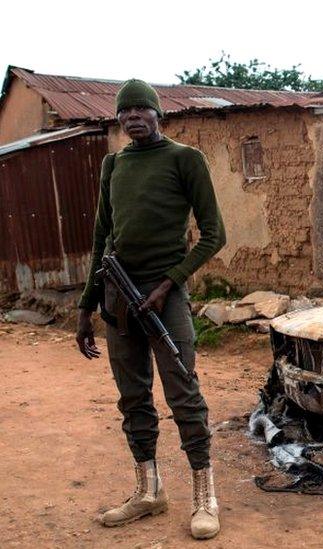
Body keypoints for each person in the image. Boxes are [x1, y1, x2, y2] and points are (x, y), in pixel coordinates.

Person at [75, 79, 226, 540]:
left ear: (159, 114)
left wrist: (168, 285)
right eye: (126, 110)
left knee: (183, 391)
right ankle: (148, 492)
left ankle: (205, 496)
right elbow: (103, 237)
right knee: (133, 397)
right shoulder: (113, 164)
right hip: (118, 297)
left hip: (165, 297)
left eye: (143, 108)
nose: (134, 116)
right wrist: (86, 306)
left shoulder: (185, 159)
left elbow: (213, 235)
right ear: (118, 118)